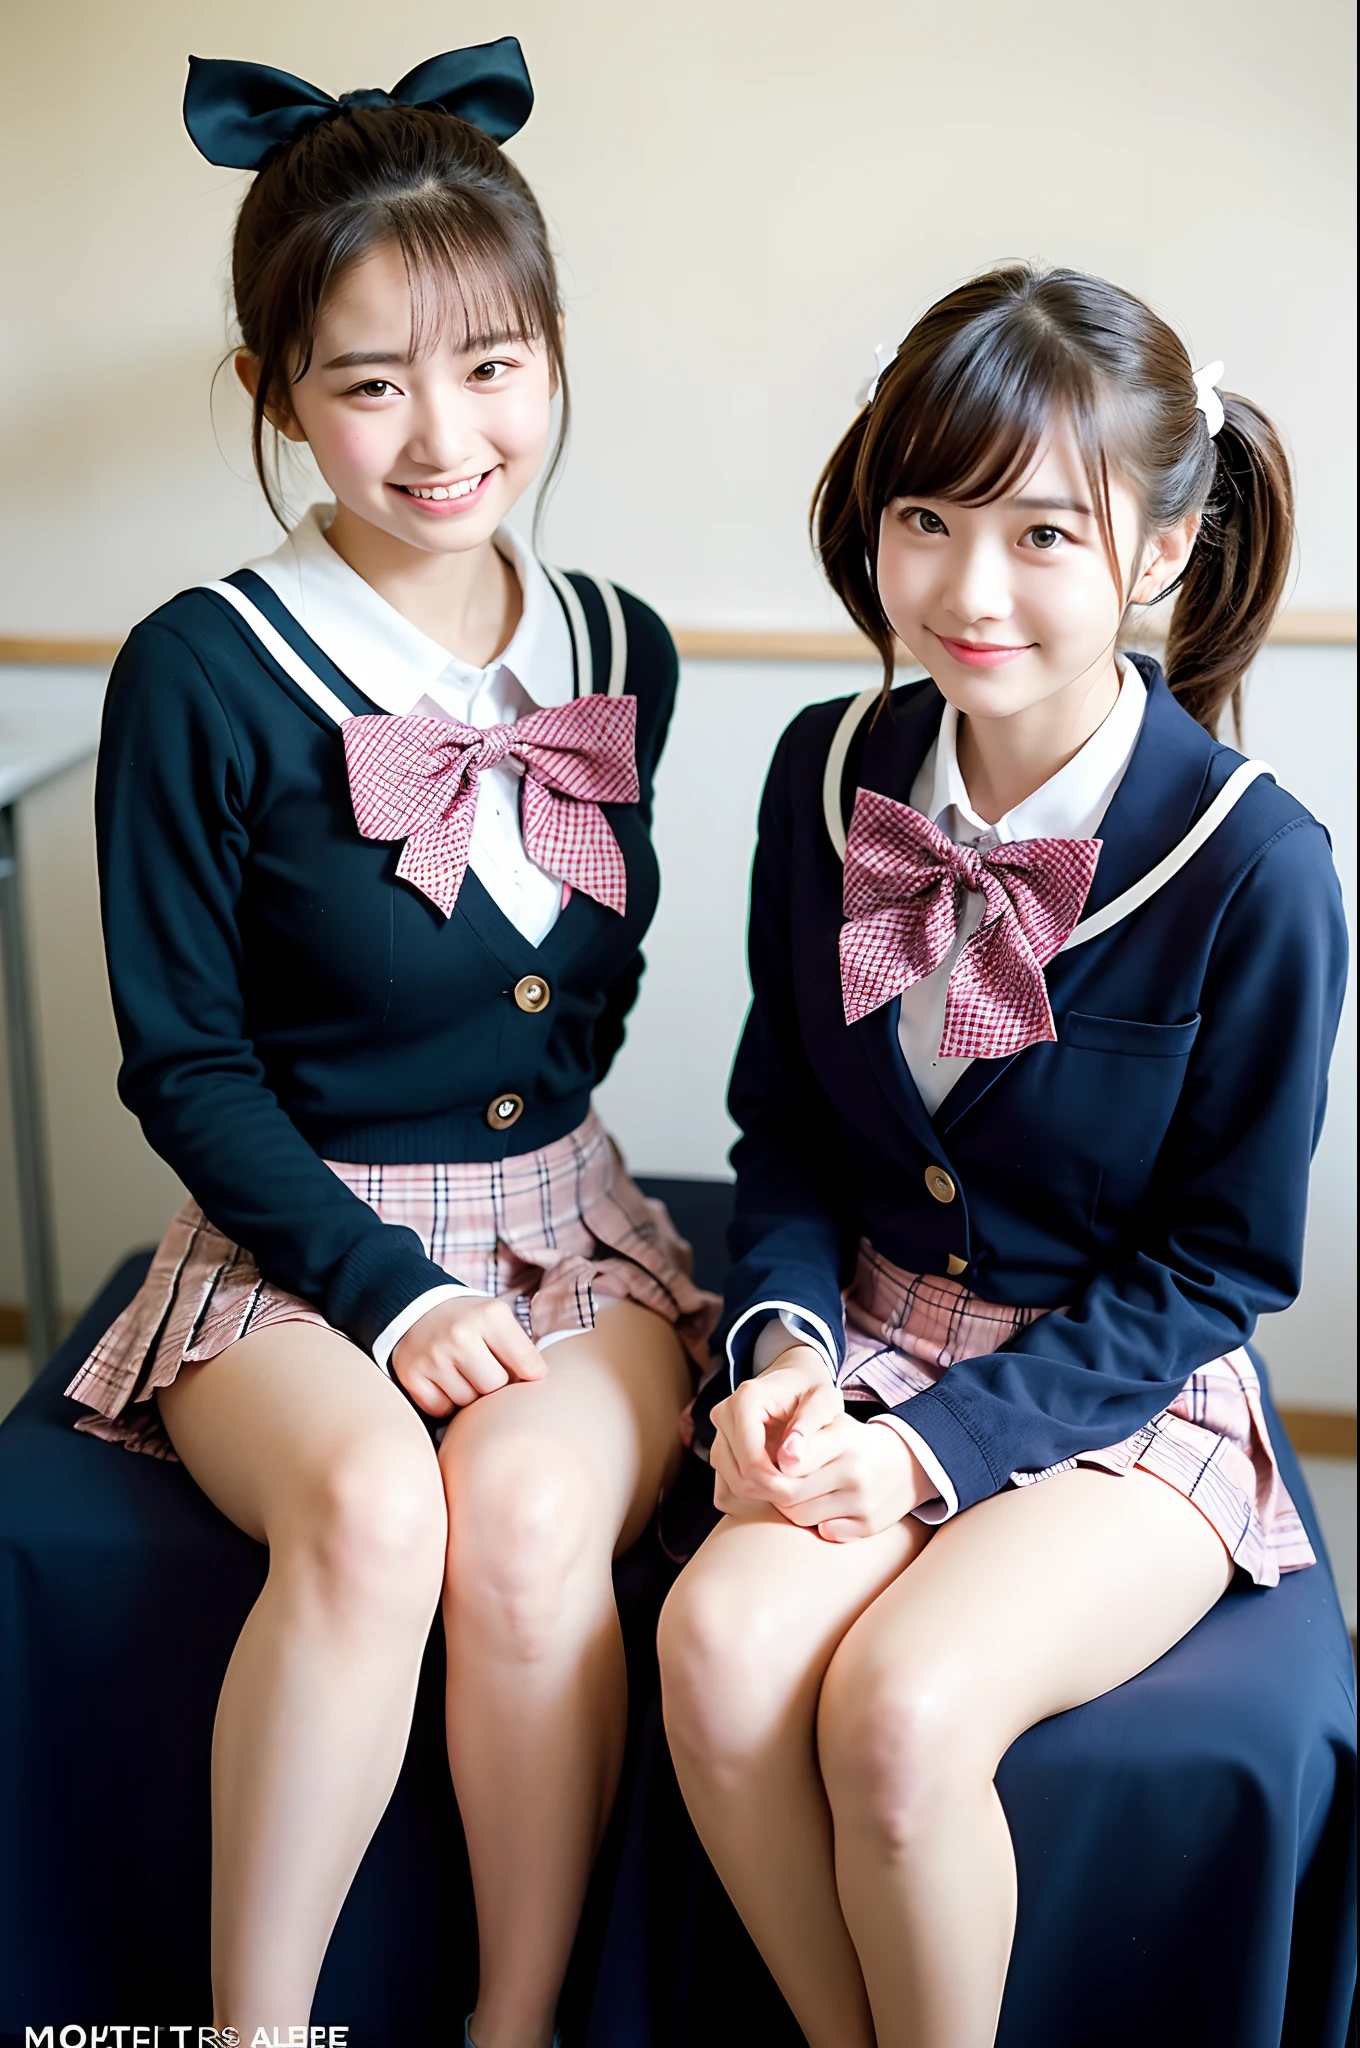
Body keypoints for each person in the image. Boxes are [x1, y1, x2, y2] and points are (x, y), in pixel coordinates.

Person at [64, 40, 715, 2047]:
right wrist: (379, 1285)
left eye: (491, 364)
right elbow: (182, 1060)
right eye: (368, 380)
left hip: (557, 1220)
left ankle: (513, 2024)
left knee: (526, 1519)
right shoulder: (205, 666)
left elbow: (585, 994)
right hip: (291, 1238)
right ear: (271, 393)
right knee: (373, 1509)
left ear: (547, 353)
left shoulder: (616, 644)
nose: (444, 435)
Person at [656, 264, 1348, 2048]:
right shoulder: (828, 775)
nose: (969, 589)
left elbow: (1218, 1271)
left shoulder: (1253, 863)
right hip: (871, 1342)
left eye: (1047, 533)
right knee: (715, 1653)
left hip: (1120, 1394)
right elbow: (788, 1133)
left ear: (1165, 554)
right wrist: (787, 1347)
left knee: (896, 1710)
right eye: (927, 517)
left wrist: (931, 1460)